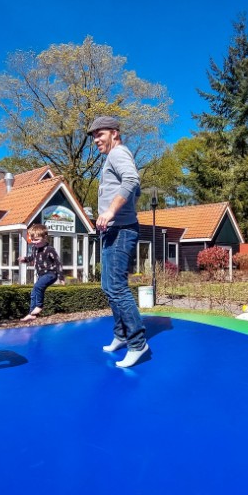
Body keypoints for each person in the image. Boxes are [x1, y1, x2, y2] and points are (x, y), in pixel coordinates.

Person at [88, 116, 149, 368]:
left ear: (114, 132)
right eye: (93, 137)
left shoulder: (118, 153)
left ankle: (138, 343)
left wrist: (112, 211)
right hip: (113, 230)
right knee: (108, 286)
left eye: (99, 134)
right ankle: (121, 334)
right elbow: (136, 190)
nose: (95, 140)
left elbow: (132, 181)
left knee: (117, 287)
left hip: (121, 229)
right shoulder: (112, 159)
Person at [17, 224, 65, 322]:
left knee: (38, 287)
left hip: (51, 274)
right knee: (34, 291)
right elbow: (31, 258)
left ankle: (39, 306)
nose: (35, 242)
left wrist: (61, 277)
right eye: (33, 240)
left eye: (37, 240)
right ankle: (32, 314)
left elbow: (58, 262)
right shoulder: (34, 248)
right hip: (42, 275)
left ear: (45, 238)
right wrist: (24, 259)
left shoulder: (50, 250)